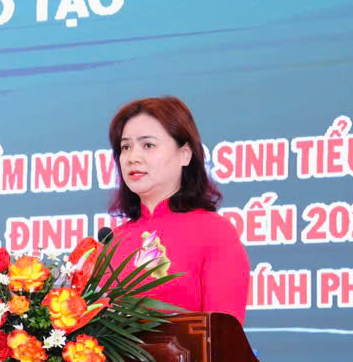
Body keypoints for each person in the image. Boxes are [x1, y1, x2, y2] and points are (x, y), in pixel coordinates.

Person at [106, 96, 249, 324]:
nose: (132, 158)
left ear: (185, 154)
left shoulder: (215, 232)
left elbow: (223, 338)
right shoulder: (112, 243)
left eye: (148, 145)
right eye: (125, 147)